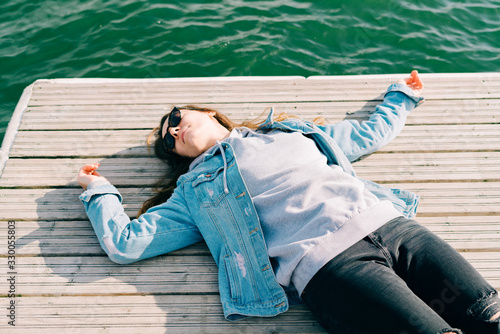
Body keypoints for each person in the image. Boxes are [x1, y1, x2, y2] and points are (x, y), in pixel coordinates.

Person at [77, 71, 500, 334]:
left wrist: (400, 96)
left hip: (394, 228)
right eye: (169, 144)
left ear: (209, 113)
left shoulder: (289, 131)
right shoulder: (195, 190)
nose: (173, 133)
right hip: (332, 267)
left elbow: (366, 134)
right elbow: (126, 242)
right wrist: (98, 192)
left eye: (174, 119)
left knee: (488, 313)